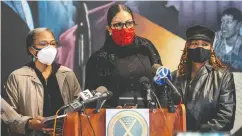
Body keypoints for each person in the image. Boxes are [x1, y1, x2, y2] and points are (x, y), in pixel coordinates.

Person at [4, 28, 81, 136]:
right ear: (31, 50)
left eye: (53, 43)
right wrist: (30, 123)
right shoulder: (18, 77)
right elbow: (8, 117)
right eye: (43, 44)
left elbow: (79, 109)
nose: (49, 48)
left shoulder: (67, 74)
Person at [85, 4, 162, 108]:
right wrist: (111, 110)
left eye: (129, 23)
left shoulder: (147, 48)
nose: (124, 28)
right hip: (113, 120)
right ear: (109, 28)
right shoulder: (98, 59)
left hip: (149, 117)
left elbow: (161, 87)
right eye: (118, 25)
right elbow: (91, 101)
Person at [171, 25, 236, 132]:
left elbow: (226, 117)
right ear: (187, 46)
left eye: (205, 44)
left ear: (211, 48)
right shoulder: (174, 77)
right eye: (195, 43)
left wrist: (198, 133)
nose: (199, 48)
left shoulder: (223, 77)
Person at [214, 8, 242, 72]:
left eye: (228, 22)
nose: (223, 26)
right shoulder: (216, 41)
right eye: (222, 21)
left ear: (239, 25)